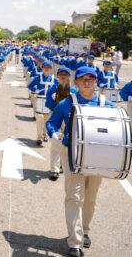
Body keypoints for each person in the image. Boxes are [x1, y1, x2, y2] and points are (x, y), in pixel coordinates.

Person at [46, 67, 115, 257]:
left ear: (96, 82)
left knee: (90, 199)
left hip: (97, 157)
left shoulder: (106, 104)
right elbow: (51, 122)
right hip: (72, 155)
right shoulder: (66, 103)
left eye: (91, 79)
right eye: (83, 79)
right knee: (74, 197)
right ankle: (74, 242)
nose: (87, 82)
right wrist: (54, 135)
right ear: (76, 83)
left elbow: (119, 124)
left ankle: (84, 231)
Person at [45, 67, 77, 181]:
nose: (63, 76)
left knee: (67, 143)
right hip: (56, 116)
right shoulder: (52, 88)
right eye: (61, 74)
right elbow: (47, 105)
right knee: (55, 143)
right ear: (57, 76)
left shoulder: (74, 91)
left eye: (66, 74)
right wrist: (52, 100)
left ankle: (63, 164)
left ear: (69, 77)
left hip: (69, 118)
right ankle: (54, 169)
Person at [28, 61, 55, 146]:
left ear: (51, 69)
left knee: (47, 120)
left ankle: (45, 134)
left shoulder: (54, 79)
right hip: (39, 100)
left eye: (48, 68)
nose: (46, 69)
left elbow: (59, 88)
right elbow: (30, 86)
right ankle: (39, 137)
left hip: (49, 102)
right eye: (45, 68)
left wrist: (56, 94)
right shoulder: (38, 77)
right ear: (42, 69)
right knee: (39, 119)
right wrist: (35, 90)